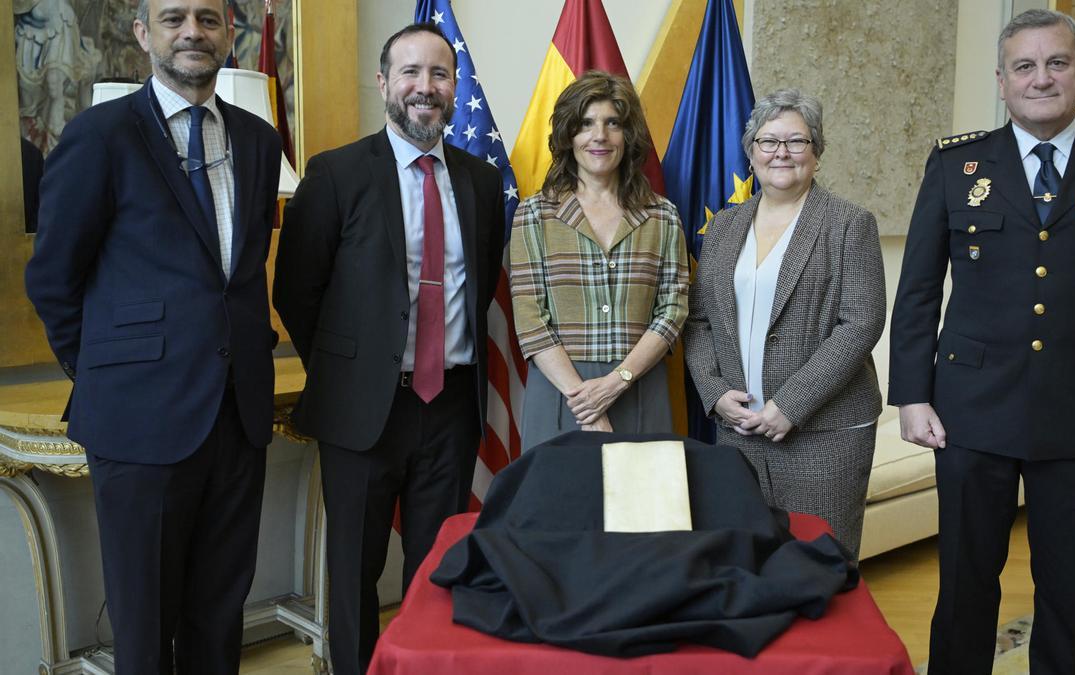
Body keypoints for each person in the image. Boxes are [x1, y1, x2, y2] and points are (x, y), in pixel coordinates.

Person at [889, 9, 1075, 674]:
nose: (1041, 78)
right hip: (969, 411)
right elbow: (916, 291)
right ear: (1002, 80)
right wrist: (912, 395)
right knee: (965, 584)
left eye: (1057, 63)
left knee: (1071, 588)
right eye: (1024, 66)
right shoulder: (956, 164)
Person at [24, 0, 282, 671]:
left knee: (220, 614)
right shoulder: (99, 135)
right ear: (143, 34)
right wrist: (110, 375)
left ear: (230, 33)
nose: (191, 31)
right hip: (138, 420)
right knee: (144, 624)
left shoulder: (258, 141)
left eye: (207, 17)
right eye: (173, 18)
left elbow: (237, 274)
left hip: (237, 413)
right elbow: (53, 278)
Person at [273, 23, 506, 674]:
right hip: (360, 412)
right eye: (410, 73)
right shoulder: (336, 173)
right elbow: (297, 291)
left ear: (454, 88)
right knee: (353, 569)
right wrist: (352, 368)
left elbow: (479, 283)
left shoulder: (482, 183)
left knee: (436, 568)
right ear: (384, 84)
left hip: (451, 404)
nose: (425, 88)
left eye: (439, 74)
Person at [683, 89, 886, 559]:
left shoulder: (849, 223)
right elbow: (699, 322)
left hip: (822, 436)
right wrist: (713, 393)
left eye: (796, 141)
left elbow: (861, 323)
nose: (781, 153)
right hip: (739, 431)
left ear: (816, 152)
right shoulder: (724, 228)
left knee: (821, 566)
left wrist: (791, 404)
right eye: (768, 141)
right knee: (749, 563)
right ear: (751, 151)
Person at [509, 71, 689, 447]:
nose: (599, 136)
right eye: (586, 124)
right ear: (568, 135)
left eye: (613, 123)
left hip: (638, 388)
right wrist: (585, 401)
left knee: (640, 506)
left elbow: (673, 310)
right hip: (561, 393)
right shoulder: (535, 215)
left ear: (629, 135)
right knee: (558, 505)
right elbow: (529, 318)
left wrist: (615, 383)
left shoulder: (662, 216)